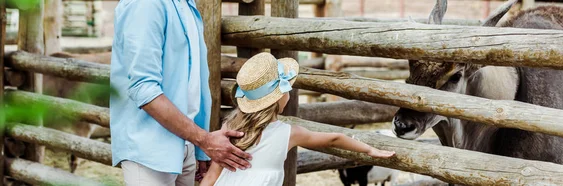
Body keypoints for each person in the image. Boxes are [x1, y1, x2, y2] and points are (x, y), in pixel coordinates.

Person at [199, 53, 396, 186]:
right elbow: (334, 138)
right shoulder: (288, 133)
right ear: (278, 98)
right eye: (287, 89)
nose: (290, 92)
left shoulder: (229, 128)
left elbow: (211, 177)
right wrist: (369, 149)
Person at [110, 0, 251, 185]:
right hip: (150, 150)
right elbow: (143, 88)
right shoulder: (146, 4)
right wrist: (205, 141)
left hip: (187, 144)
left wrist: (199, 149)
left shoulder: (187, 4)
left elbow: (194, 81)